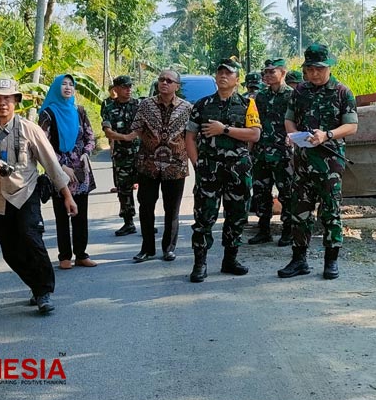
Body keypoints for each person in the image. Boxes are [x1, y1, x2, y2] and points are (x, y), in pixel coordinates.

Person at [0, 77, 77, 314]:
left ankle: (44, 291)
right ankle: (35, 284)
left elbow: (51, 164)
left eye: (7, 98)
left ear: (15, 101)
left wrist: (67, 196)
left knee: (30, 238)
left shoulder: (28, 128)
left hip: (26, 192)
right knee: (9, 249)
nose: (2, 103)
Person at [279, 43, 358, 280]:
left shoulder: (342, 92)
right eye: (310, 68)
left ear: (329, 67)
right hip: (303, 161)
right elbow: (289, 119)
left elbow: (352, 126)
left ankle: (331, 261)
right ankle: (299, 260)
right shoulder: (300, 91)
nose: (314, 73)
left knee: (330, 211)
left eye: (319, 69)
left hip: (330, 161)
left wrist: (328, 134)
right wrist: (292, 135)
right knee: (299, 211)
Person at [185, 58, 261, 283]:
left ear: (237, 80)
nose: (223, 76)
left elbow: (255, 134)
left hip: (238, 170)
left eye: (228, 73)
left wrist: (224, 129)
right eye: (220, 73)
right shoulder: (202, 105)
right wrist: (197, 163)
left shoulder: (248, 105)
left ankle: (230, 259)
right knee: (204, 217)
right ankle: (200, 263)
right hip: (209, 170)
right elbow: (189, 137)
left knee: (237, 215)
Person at [121, 69, 193, 262]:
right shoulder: (146, 105)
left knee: (172, 210)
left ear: (177, 86)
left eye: (169, 80)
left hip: (175, 166)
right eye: (161, 79)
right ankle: (147, 248)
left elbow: (192, 136)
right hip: (148, 165)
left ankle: (168, 248)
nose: (164, 83)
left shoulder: (187, 108)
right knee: (146, 207)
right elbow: (136, 130)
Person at [39, 74, 98, 270]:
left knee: (81, 214)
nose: (67, 87)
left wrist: (86, 154)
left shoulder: (79, 111)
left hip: (80, 171)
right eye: (63, 84)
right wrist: (60, 166)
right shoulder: (48, 113)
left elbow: (90, 137)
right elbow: (43, 145)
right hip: (59, 171)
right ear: (56, 88)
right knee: (62, 215)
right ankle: (64, 256)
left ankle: (81, 254)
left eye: (71, 85)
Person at [248, 59, 295, 247]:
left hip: (283, 152)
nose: (267, 75)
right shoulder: (260, 97)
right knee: (261, 192)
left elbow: (297, 120)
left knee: (286, 192)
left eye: (271, 72)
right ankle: (264, 230)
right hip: (262, 152)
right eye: (265, 72)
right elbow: (254, 123)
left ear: (282, 73)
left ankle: (288, 231)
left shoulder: (292, 95)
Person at [101, 76, 140, 236]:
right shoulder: (109, 107)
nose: (128, 89)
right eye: (124, 86)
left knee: (146, 191)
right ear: (115, 89)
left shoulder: (138, 105)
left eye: (130, 86)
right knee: (124, 190)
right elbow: (107, 130)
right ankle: (128, 222)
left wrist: (136, 135)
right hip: (121, 155)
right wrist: (124, 137)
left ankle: (147, 222)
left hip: (141, 154)